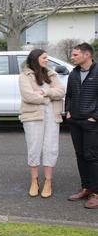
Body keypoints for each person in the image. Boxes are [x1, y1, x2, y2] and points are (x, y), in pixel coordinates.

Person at [19, 49, 65, 198]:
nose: (47, 60)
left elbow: (61, 91)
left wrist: (45, 93)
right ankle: (34, 181)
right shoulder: (25, 76)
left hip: (52, 115)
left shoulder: (51, 74)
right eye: (44, 58)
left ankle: (48, 181)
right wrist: (48, 97)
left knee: (50, 147)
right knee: (34, 147)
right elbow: (28, 96)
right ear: (35, 58)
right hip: (33, 116)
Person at [64, 42, 98, 208]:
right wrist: (68, 111)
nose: (72, 57)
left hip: (92, 123)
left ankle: (96, 193)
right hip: (75, 121)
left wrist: (95, 117)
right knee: (80, 155)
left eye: (76, 54)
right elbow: (69, 95)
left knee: (92, 156)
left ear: (87, 55)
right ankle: (86, 188)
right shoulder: (74, 73)